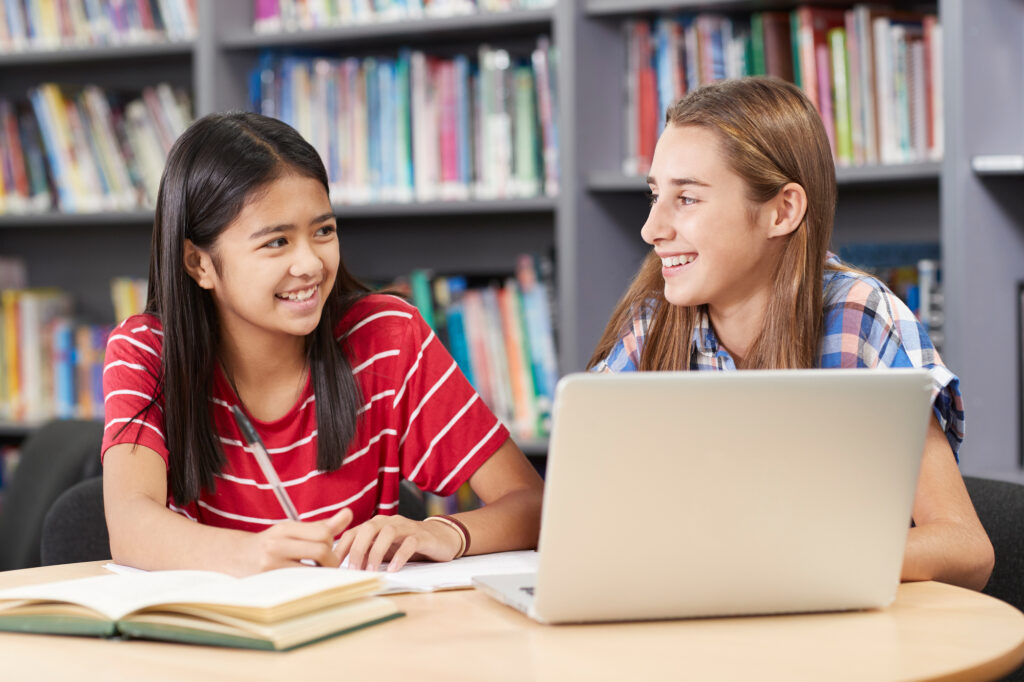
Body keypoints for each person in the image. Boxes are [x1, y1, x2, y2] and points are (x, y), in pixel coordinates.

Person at [588, 77, 993, 591]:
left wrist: (786, 562)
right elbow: (591, 522)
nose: (651, 229)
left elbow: (966, 548)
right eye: (654, 195)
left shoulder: (858, 318)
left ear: (782, 211)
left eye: (686, 198)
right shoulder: (654, 327)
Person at [102, 112, 543, 576]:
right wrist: (252, 555)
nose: (310, 264)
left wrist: (443, 532)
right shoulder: (147, 353)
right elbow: (130, 524)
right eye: (276, 242)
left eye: (323, 231)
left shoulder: (386, 338)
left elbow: (532, 503)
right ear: (199, 264)